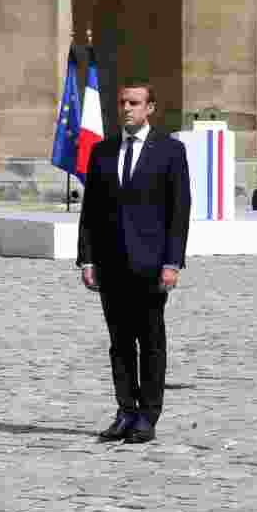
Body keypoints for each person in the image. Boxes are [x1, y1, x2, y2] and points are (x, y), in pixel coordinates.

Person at [78, 80, 191, 444]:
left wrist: (172, 262)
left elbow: (179, 211)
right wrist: (87, 258)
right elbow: (91, 210)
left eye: (135, 102)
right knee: (120, 343)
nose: (127, 108)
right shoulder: (103, 151)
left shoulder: (170, 151)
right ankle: (125, 410)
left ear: (150, 108)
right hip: (111, 265)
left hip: (151, 265)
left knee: (151, 341)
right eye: (123, 102)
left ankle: (148, 415)